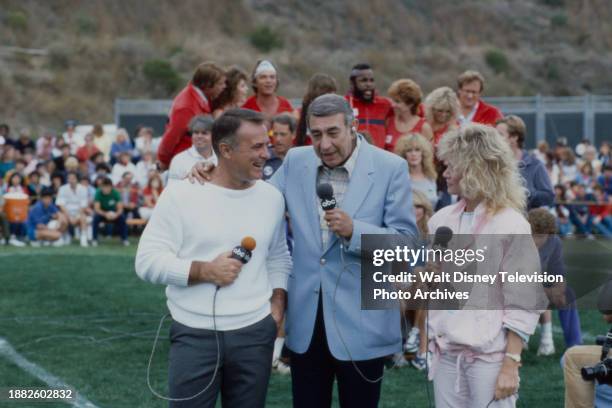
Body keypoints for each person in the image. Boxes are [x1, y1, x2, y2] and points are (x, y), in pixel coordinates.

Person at [136, 108, 292, 408]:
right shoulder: (181, 194)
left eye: (266, 144)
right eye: (257, 146)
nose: (266, 153)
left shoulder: (271, 197)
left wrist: (277, 304)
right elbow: (146, 261)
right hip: (195, 335)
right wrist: (204, 271)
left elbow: (278, 257)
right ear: (225, 150)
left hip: (255, 333)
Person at [270, 94, 417, 407]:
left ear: (354, 126)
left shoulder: (390, 167)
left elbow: (406, 246)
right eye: (316, 134)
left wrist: (356, 232)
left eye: (333, 133)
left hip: (363, 325)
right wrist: (211, 173)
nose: (324, 145)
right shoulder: (296, 160)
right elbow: (260, 200)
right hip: (307, 323)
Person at [427, 124, 543, 407]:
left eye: (451, 165)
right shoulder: (441, 220)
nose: (445, 173)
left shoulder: (511, 223)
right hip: (446, 355)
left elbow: (524, 301)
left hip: (490, 360)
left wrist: (511, 362)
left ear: (474, 167)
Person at [528, 208, 583, 352]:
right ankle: (525, 337)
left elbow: (558, 271)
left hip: (539, 286)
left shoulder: (554, 242)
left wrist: (558, 291)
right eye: (533, 234)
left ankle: (575, 345)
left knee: (568, 294)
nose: (536, 239)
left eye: (541, 235)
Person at [157, 62, 226, 170]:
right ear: (208, 85)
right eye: (220, 84)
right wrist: (163, 161)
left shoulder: (197, 99)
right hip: (186, 165)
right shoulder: (187, 106)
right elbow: (171, 137)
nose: (224, 87)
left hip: (196, 160)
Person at [496, 115, 554, 210]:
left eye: (500, 135)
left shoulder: (535, 164)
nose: (495, 139)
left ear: (514, 137)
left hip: (526, 221)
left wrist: (524, 193)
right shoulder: (493, 163)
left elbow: (548, 196)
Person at [345, 63, 392, 149]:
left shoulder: (385, 104)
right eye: (363, 80)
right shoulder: (344, 104)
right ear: (352, 83)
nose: (368, 84)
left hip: (379, 158)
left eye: (371, 80)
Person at [385, 79, 433, 152]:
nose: (393, 104)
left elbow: (428, 157)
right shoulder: (388, 122)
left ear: (410, 104)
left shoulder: (424, 127)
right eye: (393, 100)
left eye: (397, 101)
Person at [394, 133, 438, 209]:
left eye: (417, 150)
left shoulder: (431, 177)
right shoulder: (399, 178)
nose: (413, 154)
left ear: (423, 153)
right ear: (404, 154)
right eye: (409, 150)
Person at [168, 115, 217, 184]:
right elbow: (171, 189)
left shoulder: (221, 159)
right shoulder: (179, 160)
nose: (199, 136)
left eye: (204, 133)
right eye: (196, 132)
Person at [296, 73, 338, 146]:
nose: (331, 98)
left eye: (333, 93)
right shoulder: (305, 113)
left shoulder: (338, 113)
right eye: (328, 93)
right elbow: (300, 139)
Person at [56, 172, 90, 247]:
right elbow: (61, 205)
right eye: (69, 178)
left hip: (79, 213)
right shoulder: (62, 188)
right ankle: (61, 237)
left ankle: (83, 239)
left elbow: (83, 206)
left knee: (83, 218)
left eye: (73, 178)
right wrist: (69, 217)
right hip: (66, 213)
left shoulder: (83, 189)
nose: (71, 180)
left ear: (77, 179)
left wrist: (77, 215)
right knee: (62, 219)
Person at [92, 177, 128, 246]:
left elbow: (120, 208)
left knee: (122, 218)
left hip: (114, 212)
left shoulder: (115, 193)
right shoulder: (98, 192)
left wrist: (116, 215)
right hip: (102, 212)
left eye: (107, 187)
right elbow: (97, 209)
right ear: (101, 187)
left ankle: (124, 239)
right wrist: (106, 214)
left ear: (111, 187)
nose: (105, 189)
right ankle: (94, 239)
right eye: (103, 187)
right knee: (95, 218)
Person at [262, 114, 296, 181]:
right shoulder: (263, 157)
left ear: (293, 134)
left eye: (283, 134)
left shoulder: (300, 158)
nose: (278, 139)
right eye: (275, 134)